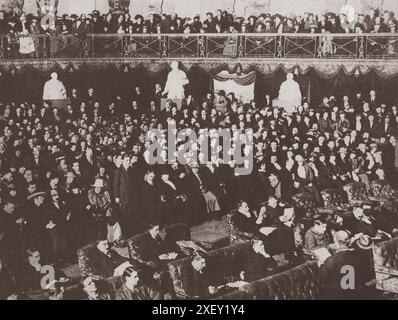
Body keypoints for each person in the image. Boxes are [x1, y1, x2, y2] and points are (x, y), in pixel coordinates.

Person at [319, 231, 374, 300]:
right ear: (349, 241)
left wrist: (322, 266)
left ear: (336, 243)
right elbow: (367, 278)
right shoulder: (361, 257)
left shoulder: (330, 260)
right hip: (357, 295)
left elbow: (322, 280)